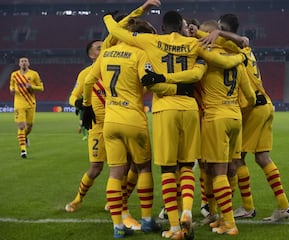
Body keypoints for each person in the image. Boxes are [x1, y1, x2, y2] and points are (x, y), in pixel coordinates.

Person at [103, 4, 248, 239]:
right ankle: (188, 212)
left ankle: (173, 226)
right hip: (190, 108)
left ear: (162, 28)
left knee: (168, 169)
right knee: (187, 166)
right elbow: (220, 60)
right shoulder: (193, 44)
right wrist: (240, 56)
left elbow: (117, 32)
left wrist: (110, 17)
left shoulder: (150, 42)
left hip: (164, 109)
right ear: (183, 26)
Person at [199, 13, 289, 222]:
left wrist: (215, 33)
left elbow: (239, 40)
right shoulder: (246, 51)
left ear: (222, 30)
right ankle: (283, 205)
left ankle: (245, 207)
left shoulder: (236, 49)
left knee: (237, 158)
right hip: (265, 104)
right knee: (262, 157)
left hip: (250, 107)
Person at [82, 15, 165, 238]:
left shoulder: (106, 53)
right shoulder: (140, 54)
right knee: (144, 168)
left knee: (116, 173)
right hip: (133, 118)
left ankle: (118, 226)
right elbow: (149, 82)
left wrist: (87, 106)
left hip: (110, 120)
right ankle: (147, 220)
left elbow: (89, 81)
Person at [65, 39, 105, 213]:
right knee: (95, 168)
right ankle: (78, 199)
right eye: (98, 48)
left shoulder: (115, 68)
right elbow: (73, 97)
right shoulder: (85, 74)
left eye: (104, 46)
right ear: (91, 55)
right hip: (96, 127)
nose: (102, 48)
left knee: (124, 166)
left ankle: (117, 201)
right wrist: (79, 103)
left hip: (117, 122)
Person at [9, 56, 44, 159]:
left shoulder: (34, 74)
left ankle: (25, 137)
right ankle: (23, 150)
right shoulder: (14, 75)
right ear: (19, 64)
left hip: (30, 104)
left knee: (29, 127)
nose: (23, 63)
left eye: (25, 61)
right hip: (18, 104)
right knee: (21, 126)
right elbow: (11, 85)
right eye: (22, 61)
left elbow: (41, 88)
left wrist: (32, 87)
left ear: (28, 64)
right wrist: (12, 89)